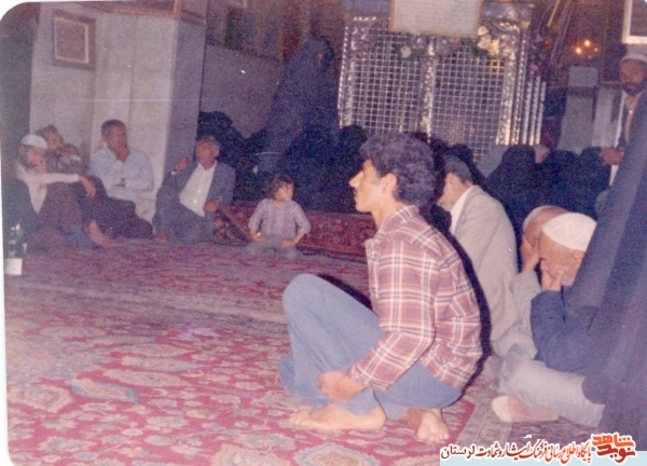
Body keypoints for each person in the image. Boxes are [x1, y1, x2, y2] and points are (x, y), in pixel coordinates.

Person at [278, 133, 482, 443]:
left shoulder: (404, 241)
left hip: (431, 376)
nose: (353, 181)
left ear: (388, 183)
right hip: (431, 377)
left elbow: (410, 337)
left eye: (363, 173)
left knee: (304, 291)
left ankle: (357, 409)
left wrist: (350, 384)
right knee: (296, 372)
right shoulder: (404, 230)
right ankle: (412, 412)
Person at [492, 212, 604, 427]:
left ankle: (538, 404)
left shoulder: (595, 295)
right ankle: (541, 404)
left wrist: (549, 297)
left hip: (603, 401)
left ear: (576, 258)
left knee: (522, 375)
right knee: (511, 339)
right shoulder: (582, 276)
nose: (543, 266)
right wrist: (547, 294)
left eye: (546, 259)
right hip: (575, 363)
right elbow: (546, 333)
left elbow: (560, 358)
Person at [437, 153, 518, 356]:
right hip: (480, 303)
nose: (433, 196)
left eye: (435, 187)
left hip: (492, 315)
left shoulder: (482, 206)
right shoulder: (471, 205)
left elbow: (458, 264)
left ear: (450, 180)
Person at [13, 134, 114, 250]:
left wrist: (44, 178)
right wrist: (79, 178)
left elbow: (44, 185)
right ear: (22, 150)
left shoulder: (32, 168)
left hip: (45, 212)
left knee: (84, 183)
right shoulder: (14, 169)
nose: (39, 159)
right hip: (30, 220)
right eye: (35, 153)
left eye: (41, 155)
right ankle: (81, 233)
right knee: (59, 187)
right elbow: (38, 199)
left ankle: (86, 231)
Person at [153, 135, 235, 244]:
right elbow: (167, 186)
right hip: (179, 210)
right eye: (197, 149)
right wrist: (175, 171)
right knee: (165, 192)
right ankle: (163, 232)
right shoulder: (188, 167)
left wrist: (217, 201)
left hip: (200, 217)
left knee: (192, 235)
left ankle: (170, 236)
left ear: (215, 152)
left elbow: (228, 194)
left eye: (203, 149)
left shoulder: (226, 172)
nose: (198, 153)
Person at [88, 119, 153, 238]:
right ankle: (113, 230)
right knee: (139, 228)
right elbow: (103, 184)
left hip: (127, 205)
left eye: (124, 135)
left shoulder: (140, 156)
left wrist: (125, 183)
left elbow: (149, 184)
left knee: (146, 228)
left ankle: (112, 230)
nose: (121, 139)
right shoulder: (97, 159)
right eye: (116, 135)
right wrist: (120, 160)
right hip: (105, 203)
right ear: (105, 138)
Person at [599, 53, 647, 186]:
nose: (627, 78)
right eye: (622, 74)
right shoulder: (631, 102)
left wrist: (622, 156)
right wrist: (612, 153)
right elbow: (624, 141)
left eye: (634, 72)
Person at [245, 174, 310, 259]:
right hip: (266, 237)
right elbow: (255, 219)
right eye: (287, 190)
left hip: (284, 240)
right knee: (250, 250)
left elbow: (305, 224)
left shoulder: (294, 207)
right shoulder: (265, 204)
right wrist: (254, 234)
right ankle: (270, 251)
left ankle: (278, 253)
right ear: (274, 191)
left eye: (292, 190)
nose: (291, 193)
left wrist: (293, 240)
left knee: (291, 255)